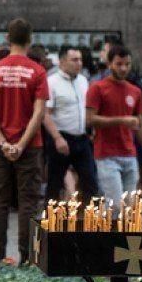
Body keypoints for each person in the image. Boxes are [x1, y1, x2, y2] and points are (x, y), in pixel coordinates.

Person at [0, 19, 52, 263]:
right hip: (30, 148)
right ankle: (27, 257)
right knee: (28, 203)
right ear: (30, 39)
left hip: (0, 148)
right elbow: (39, 112)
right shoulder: (38, 71)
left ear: (7, 39)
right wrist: (21, 144)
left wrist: (2, 142)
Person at [87, 46, 142, 204]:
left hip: (129, 154)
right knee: (116, 204)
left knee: (130, 205)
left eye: (127, 64)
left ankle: (108, 226)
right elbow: (90, 119)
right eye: (119, 64)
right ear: (109, 64)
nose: (124, 68)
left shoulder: (135, 91)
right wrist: (122, 120)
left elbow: (140, 125)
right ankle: (103, 227)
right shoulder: (97, 88)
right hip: (106, 155)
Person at [44, 45, 99, 201]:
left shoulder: (83, 81)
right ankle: (51, 221)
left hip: (82, 138)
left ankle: (91, 222)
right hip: (61, 137)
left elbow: (86, 108)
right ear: (62, 62)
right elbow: (45, 114)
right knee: (54, 184)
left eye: (80, 60)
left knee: (90, 182)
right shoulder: (51, 82)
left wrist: (92, 129)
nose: (79, 63)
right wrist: (57, 138)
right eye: (74, 60)